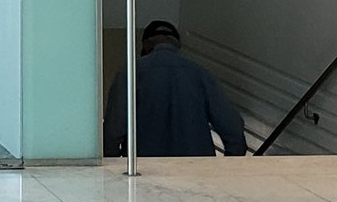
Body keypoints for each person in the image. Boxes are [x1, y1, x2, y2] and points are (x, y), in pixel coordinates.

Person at [103, 20, 247, 155]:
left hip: (146, 171)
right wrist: (228, 168)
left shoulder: (131, 73)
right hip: (195, 172)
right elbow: (233, 129)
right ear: (177, 45)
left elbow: (113, 130)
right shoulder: (200, 73)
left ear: (146, 44)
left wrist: (112, 165)